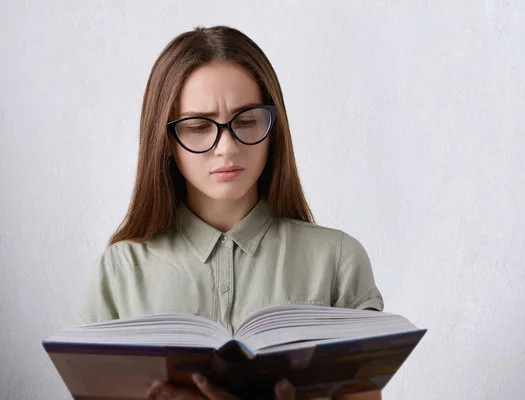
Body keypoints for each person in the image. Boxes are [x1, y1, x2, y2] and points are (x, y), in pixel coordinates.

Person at [77, 25, 384, 400]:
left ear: (274, 129)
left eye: (247, 121)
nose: (226, 147)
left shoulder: (338, 260)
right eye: (197, 126)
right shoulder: (118, 272)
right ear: (166, 141)